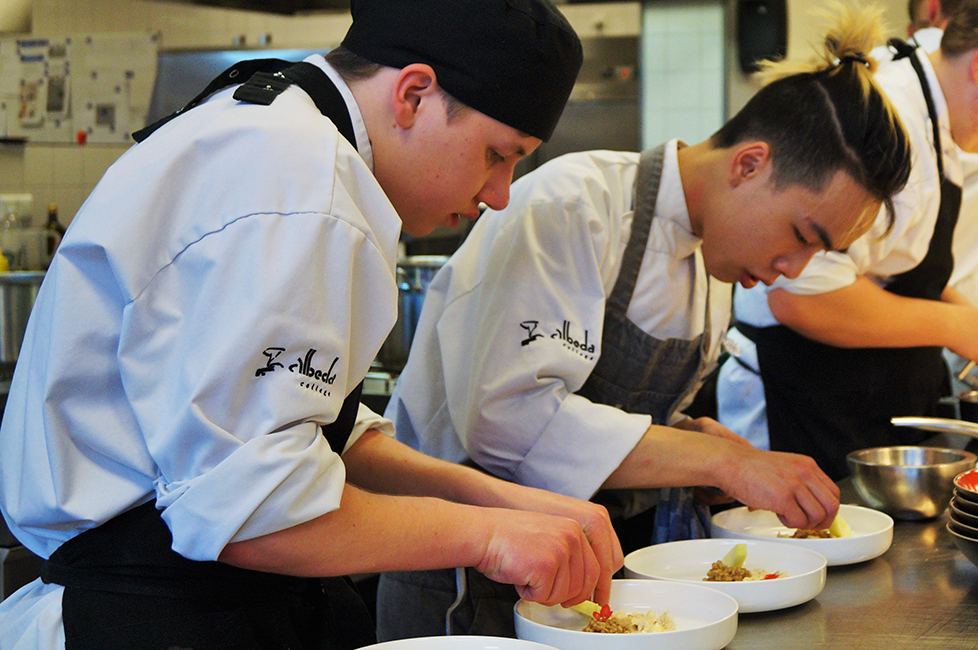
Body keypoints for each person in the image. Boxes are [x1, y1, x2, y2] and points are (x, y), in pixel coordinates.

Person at [0, 2, 626, 649]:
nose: (499, 194)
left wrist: (504, 502)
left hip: (204, 606)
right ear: (412, 94)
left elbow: (317, 434)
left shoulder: (281, 134)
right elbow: (258, 518)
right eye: (499, 154)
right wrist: (490, 537)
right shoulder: (301, 186)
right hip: (146, 617)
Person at [377, 4, 912, 639]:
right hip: (464, 581)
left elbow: (611, 415)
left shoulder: (713, 259)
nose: (791, 268)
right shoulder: (574, 206)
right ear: (750, 164)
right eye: (800, 234)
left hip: (585, 580)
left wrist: (698, 444)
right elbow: (506, 421)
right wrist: (719, 464)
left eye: (818, 255)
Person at [716, 0, 978, 479]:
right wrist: (953, 326)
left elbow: (889, 267)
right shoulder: (887, 122)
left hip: (857, 405)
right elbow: (802, 297)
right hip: (800, 403)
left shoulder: (937, 121)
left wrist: (974, 319)